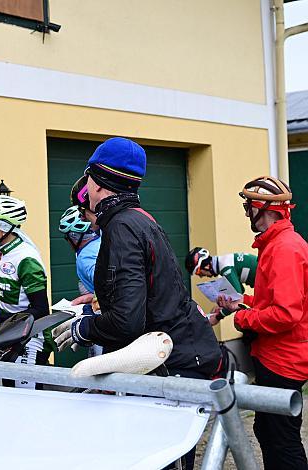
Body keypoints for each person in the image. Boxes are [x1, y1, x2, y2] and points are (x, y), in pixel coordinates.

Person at [55, 137, 221, 467]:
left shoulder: (121, 227)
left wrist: (83, 328)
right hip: (183, 355)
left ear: (97, 181)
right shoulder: (140, 218)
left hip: (172, 364)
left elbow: (128, 320)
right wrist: (95, 304)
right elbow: (145, 293)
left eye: (88, 177)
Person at [217, 176, 308, 470]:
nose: (246, 213)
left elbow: (285, 314)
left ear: (262, 208)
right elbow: (277, 302)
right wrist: (242, 301)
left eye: (247, 206)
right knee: (268, 432)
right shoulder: (277, 244)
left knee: (282, 439)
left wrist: (243, 318)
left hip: (284, 360)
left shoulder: (284, 249)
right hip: (277, 356)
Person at [0, 195, 50, 388]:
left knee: (26, 402)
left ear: (1, 227)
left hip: (30, 338)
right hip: (10, 334)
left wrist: (6, 322)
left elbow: (42, 309)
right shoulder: (0, 249)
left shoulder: (25, 258)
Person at [59, 204, 100, 306]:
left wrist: (90, 298)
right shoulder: (103, 239)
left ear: (74, 236)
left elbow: (109, 287)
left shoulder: (85, 258)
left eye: (67, 237)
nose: (68, 241)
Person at [185, 247, 257, 294]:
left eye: (198, 272)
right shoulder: (223, 263)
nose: (201, 276)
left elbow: (238, 296)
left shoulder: (225, 267)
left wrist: (219, 315)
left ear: (206, 266)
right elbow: (240, 290)